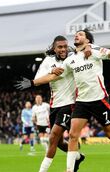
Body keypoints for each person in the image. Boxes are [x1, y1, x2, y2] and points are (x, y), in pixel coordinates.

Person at [16, 29, 110, 171]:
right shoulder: (70, 60)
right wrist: (33, 82)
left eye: (80, 34)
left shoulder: (93, 50)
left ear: (87, 40)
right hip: (81, 102)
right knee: (73, 135)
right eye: (76, 34)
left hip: (99, 99)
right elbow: (54, 77)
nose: (76, 35)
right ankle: (69, 170)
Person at [16, 35, 88, 172]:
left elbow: (88, 48)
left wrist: (88, 46)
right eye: (60, 47)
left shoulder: (73, 57)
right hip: (55, 105)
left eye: (65, 46)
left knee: (53, 137)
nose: (63, 49)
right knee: (59, 142)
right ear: (54, 49)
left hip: (70, 104)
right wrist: (51, 71)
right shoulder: (48, 61)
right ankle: (78, 157)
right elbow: (38, 79)